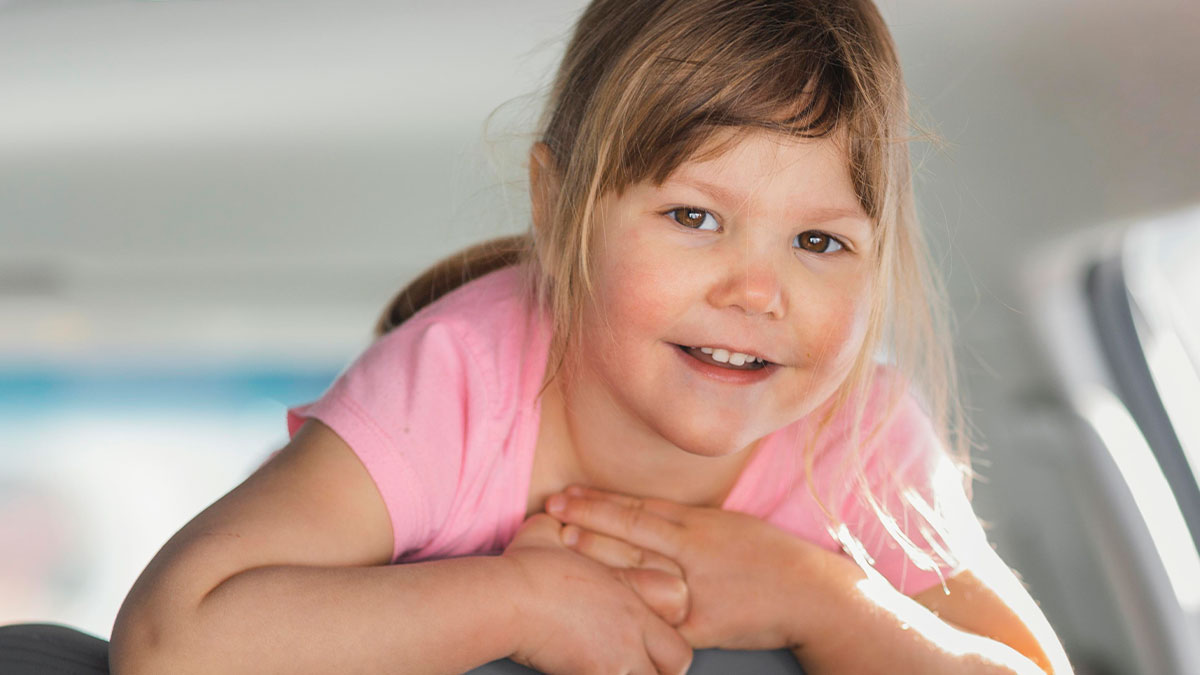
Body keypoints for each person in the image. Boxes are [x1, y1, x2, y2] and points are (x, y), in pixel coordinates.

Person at [106, 1, 1072, 673]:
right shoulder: (459, 383)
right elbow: (173, 641)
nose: (756, 289)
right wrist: (520, 602)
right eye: (695, 216)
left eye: (820, 240)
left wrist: (819, 598)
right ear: (559, 205)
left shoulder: (857, 435)